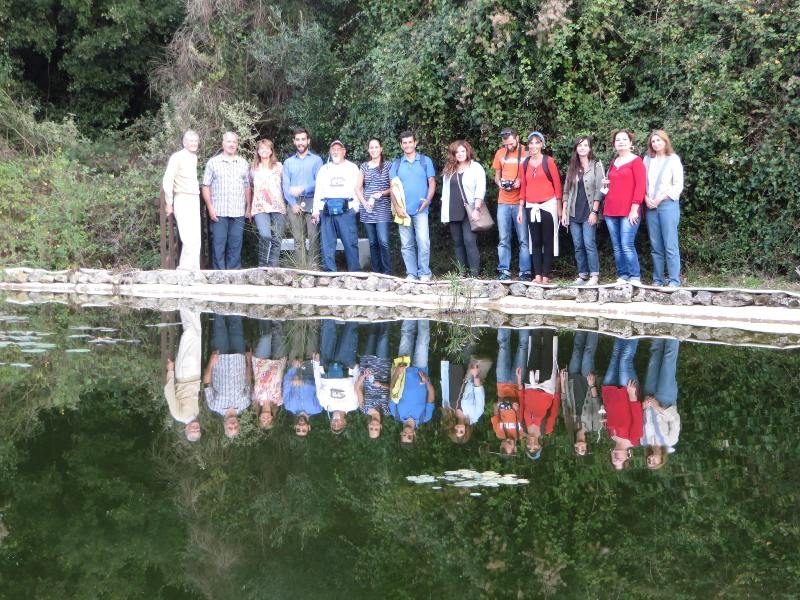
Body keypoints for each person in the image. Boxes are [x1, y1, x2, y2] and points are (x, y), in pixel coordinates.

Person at [600, 129, 646, 285]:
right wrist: (605, 184)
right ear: (614, 144)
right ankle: (623, 275)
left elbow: (640, 186)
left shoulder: (637, 161)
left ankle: (634, 277)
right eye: (618, 140)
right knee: (617, 246)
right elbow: (611, 186)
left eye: (624, 139)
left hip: (629, 211)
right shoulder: (614, 162)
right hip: (610, 209)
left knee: (627, 245)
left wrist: (634, 209)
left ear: (630, 142)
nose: (621, 142)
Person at [517, 131, 563, 284]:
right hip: (531, 206)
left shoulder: (548, 161)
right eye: (531, 143)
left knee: (548, 240)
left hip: (548, 205)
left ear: (542, 145)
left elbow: (557, 185)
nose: (533, 145)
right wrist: (520, 209)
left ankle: (546, 275)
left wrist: (559, 207)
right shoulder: (524, 164)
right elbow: (523, 187)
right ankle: (537, 275)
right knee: (535, 241)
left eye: (537, 142)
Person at [389, 131, 436, 281]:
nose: (408, 145)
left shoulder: (425, 161)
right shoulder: (396, 164)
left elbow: (432, 182)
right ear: (401, 145)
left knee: (423, 242)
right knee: (406, 244)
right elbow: (392, 188)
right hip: (403, 211)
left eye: (410, 142)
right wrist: (397, 208)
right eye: (405, 143)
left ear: (415, 143)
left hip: (421, 210)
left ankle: (424, 273)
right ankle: (411, 273)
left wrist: (427, 200)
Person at [201, 132, 251, 270]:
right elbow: (206, 186)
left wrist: (248, 207)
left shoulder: (243, 163)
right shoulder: (213, 162)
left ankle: (233, 274)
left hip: (238, 211)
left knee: (236, 245)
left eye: (234, 142)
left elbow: (247, 186)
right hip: (219, 211)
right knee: (218, 244)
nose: (232, 144)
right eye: (229, 141)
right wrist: (210, 207)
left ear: (237, 144)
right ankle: (219, 275)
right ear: (223, 143)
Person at [311, 140, 361, 272]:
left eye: (339, 149)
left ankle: (354, 273)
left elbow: (358, 189)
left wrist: (355, 207)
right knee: (327, 245)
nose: (336, 152)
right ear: (330, 152)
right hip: (326, 210)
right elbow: (318, 191)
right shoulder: (324, 169)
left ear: (344, 152)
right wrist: (316, 210)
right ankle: (329, 273)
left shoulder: (352, 168)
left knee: (350, 243)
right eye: (333, 149)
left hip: (347, 209)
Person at [644, 130, 685, 288]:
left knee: (670, 244)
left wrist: (660, 198)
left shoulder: (673, 159)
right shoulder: (647, 160)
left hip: (668, 205)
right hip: (650, 207)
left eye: (659, 140)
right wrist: (646, 198)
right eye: (653, 141)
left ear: (665, 141)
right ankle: (658, 279)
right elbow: (642, 183)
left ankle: (674, 280)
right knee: (655, 245)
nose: (656, 144)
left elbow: (678, 185)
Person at [561, 136, 605, 285]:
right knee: (578, 245)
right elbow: (566, 192)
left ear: (590, 148)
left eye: (585, 145)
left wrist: (594, 212)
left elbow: (600, 190)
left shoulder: (596, 166)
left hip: (589, 212)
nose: (582, 148)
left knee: (589, 243)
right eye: (580, 145)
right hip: (574, 212)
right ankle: (583, 274)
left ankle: (594, 275)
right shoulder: (572, 168)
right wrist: (564, 213)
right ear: (576, 148)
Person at [440, 140, 487, 277]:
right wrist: (444, 213)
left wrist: (477, 209)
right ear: (453, 154)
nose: (460, 154)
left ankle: (474, 274)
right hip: (453, 209)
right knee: (458, 242)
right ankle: (462, 273)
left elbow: (480, 189)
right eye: (457, 152)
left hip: (470, 210)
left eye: (463, 151)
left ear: (467, 152)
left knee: (469, 240)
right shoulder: (449, 169)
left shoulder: (476, 167)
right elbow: (445, 192)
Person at [204, 315, 252, 439]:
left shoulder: (214, 405)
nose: (233, 425)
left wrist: (211, 362)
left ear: (224, 425)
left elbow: (207, 384)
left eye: (230, 428)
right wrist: (248, 360)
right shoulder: (245, 403)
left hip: (220, 357)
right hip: (239, 356)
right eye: (235, 427)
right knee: (236, 321)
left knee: (219, 322)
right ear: (239, 424)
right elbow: (248, 380)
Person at [492, 127, 530, 280]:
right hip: (503, 201)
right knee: (503, 239)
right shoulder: (500, 153)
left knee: (524, 239)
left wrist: (521, 182)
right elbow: (496, 176)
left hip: (521, 202)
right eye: (506, 144)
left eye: (511, 143)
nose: (509, 146)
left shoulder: (527, 151)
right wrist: (500, 183)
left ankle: (525, 271)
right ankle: (504, 270)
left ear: (517, 138)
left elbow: (533, 174)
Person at [282, 127, 323, 267]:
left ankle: (314, 268)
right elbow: (285, 186)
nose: (300, 142)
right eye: (298, 139)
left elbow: (319, 182)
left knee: (313, 238)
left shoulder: (317, 160)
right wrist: (293, 204)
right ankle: (301, 268)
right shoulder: (288, 162)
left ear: (308, 141)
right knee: (298, 239)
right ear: (294, 141)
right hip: (294, 203)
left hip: (312, 202)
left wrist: (303, 188)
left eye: (303, 139)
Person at [389, 319, 434, 444]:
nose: (406, 434)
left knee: (406, 335)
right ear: (414, 435)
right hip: (421, 370)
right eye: (409, 437)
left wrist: (397, 372)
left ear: (401, 433)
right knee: (423, 340)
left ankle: (409, 312)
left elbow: (392, 390)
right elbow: (431, 396)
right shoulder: (425, 417)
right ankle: (424, 313)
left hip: (403, 368)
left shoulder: (395, 413)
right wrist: (427, 381)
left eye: (404, 435)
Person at [162, 130, 202, 270]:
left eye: (196, 141)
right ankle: (185, 269)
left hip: (194, 198)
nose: (194, 143)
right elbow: (168, 180)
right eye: (191, 141)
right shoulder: (177, 157)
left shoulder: (194, 158)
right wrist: (169, 202)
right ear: (184, 143)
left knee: (195, 237)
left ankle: (193, 268)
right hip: (182, 197)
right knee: (187, 236)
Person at [602, 337, 641, 469]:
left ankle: (620, 330)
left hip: (609, 390)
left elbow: (609, 412)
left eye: (614, 460)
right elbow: (637, 416)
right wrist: (632, 394)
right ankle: (636, 331)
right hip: (626, 392)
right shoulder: (634, 440)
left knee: (615, 356)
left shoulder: (611, 436)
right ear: (627, 457)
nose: (616, 458)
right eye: (620, 461)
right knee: (625, 359)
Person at [520, 329, 560, 459]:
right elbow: (555, 407)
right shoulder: (546, 429)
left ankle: (536, 325)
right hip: (546, 387)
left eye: (529, 447)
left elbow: (521, 402)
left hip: (529, 384)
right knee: (547, 351)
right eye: (535, 448)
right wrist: (558, 384)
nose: (531, 445)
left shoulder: (523, 426)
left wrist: (519, 381)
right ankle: (548, 327)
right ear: (540, 445)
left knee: (534, 350)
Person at [641, 338, 681, 469]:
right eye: (654, 462)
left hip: (648, 396)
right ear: (661, 459)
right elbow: (675, 419)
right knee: (668, 360)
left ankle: (658, 331)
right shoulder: (671, 440)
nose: (650, 459)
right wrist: (658, 407)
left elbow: (638, 419)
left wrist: (643, 406)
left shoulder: (643, 441)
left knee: (655, 356)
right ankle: (674, 332)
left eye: (648, 461)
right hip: (665, 399)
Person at [314, 319, 360, 433]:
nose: (335, 423)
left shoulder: (324, 404)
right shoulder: (353, 405)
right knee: (350, 331)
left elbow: (317, 382)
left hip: (326, 366)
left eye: (333, 425)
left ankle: (328, 310)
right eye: (338, 425)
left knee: (327, 330)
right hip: (346, 367)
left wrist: (315, 364)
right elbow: (357, 386)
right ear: (344, 422)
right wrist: (356, 370)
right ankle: (352, 311)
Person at [560, 331, 601, 456]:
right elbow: (596, 402)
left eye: (577, 449)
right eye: (583, 449)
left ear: (573, 445)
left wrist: (562, 381)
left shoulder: (569, 426)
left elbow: (564, 401)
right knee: (588, 353)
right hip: (587, 383)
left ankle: (581, 327)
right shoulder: (595, 426)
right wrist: (592, 385)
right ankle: (594, 329)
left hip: (572, 382)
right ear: (587, 446)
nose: (579, 447)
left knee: (577, 352)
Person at [164, 309, 202, 441]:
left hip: (185, 374)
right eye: (198, 430)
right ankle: (194, 307)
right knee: (197, 333)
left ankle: (184, 304)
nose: (196, 428)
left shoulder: (178, 415)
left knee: (190, 334)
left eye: (193, 430)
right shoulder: (196, 413)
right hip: (196, 374)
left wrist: (170, 371)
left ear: (186, 429)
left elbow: (168, 392)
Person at [356, 138, 393, 274]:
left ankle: (387, 272)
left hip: (382, 208)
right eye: (371, 147)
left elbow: (393, 187)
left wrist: (382, 193)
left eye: (376, 147)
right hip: (368, 210)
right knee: (372, 243)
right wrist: (364, 202)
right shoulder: (364, 166)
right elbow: (357, 188)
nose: (374, 150)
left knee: (383, 241)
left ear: (381, 148)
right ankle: (376, 273)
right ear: (368, 150)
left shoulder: (388, 165)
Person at [250, 139, 286, 268]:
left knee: (277, 239)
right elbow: (249, 187)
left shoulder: (279, 167)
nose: (264, 150)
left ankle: (273, 267)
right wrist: (248, 208)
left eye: (267, 148)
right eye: (261, 148)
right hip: (260, 207)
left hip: (278, 206)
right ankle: (262, 266)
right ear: (258, 151)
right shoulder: (253, 168)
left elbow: (285, 185)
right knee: (265, 235)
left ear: (271, 151)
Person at [357, 322, 392, 439]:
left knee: (372, 334)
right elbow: (394, 389)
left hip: (368, 365)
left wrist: (364, 376)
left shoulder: (364, 409)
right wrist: (381, 385)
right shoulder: (387, 410)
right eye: (376, 429)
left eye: (371, 428)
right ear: (381, 427)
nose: (373, 426)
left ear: (368, 426)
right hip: (382, 366)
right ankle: (387, 314)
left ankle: (376, 313)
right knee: (383, 337)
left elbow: (357, 388)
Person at [251, 319, 287, 430]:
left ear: (259, 417)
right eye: (268, 421)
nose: (265, 419)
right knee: (278, 334)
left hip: (260, 363)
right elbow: (285, 382)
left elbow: (250, 380)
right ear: (272, 417)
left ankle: (263, 314)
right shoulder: (280, 401)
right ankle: (277, 314)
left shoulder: (254, 400)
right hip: (278, 363)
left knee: (266, 337)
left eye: (262, 421)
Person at [283, 356, 323, 437]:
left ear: (295, 426)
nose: (301, 427)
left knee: (296, 349)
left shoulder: (288, 406)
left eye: (298, 429)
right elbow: (321, 387)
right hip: (312, 369)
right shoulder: (318, 409)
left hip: (295, 369)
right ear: (309, 427)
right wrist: (305, 383)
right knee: (313, 349)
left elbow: (286, 384)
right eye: (304, 430)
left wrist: (293, 368)